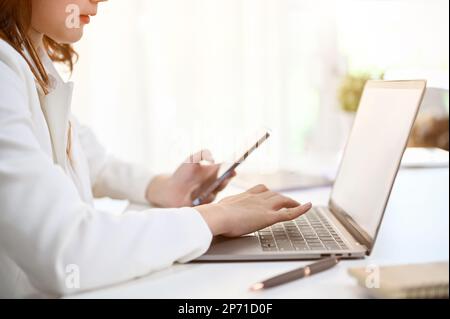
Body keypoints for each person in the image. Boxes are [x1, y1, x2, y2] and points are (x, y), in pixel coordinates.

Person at [0, 0, 312, 298]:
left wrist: (164, 188)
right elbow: (66, 248)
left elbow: (92, 163)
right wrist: (215, 216)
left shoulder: (31, 57)